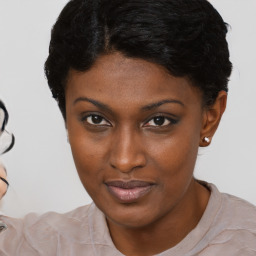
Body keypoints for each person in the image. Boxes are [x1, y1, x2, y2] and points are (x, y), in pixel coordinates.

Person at [0, 0, 256, 255]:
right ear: (67, 118)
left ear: (209, 118)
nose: (125, 160)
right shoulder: (26, 246)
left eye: (159, 121)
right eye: (95, 119)